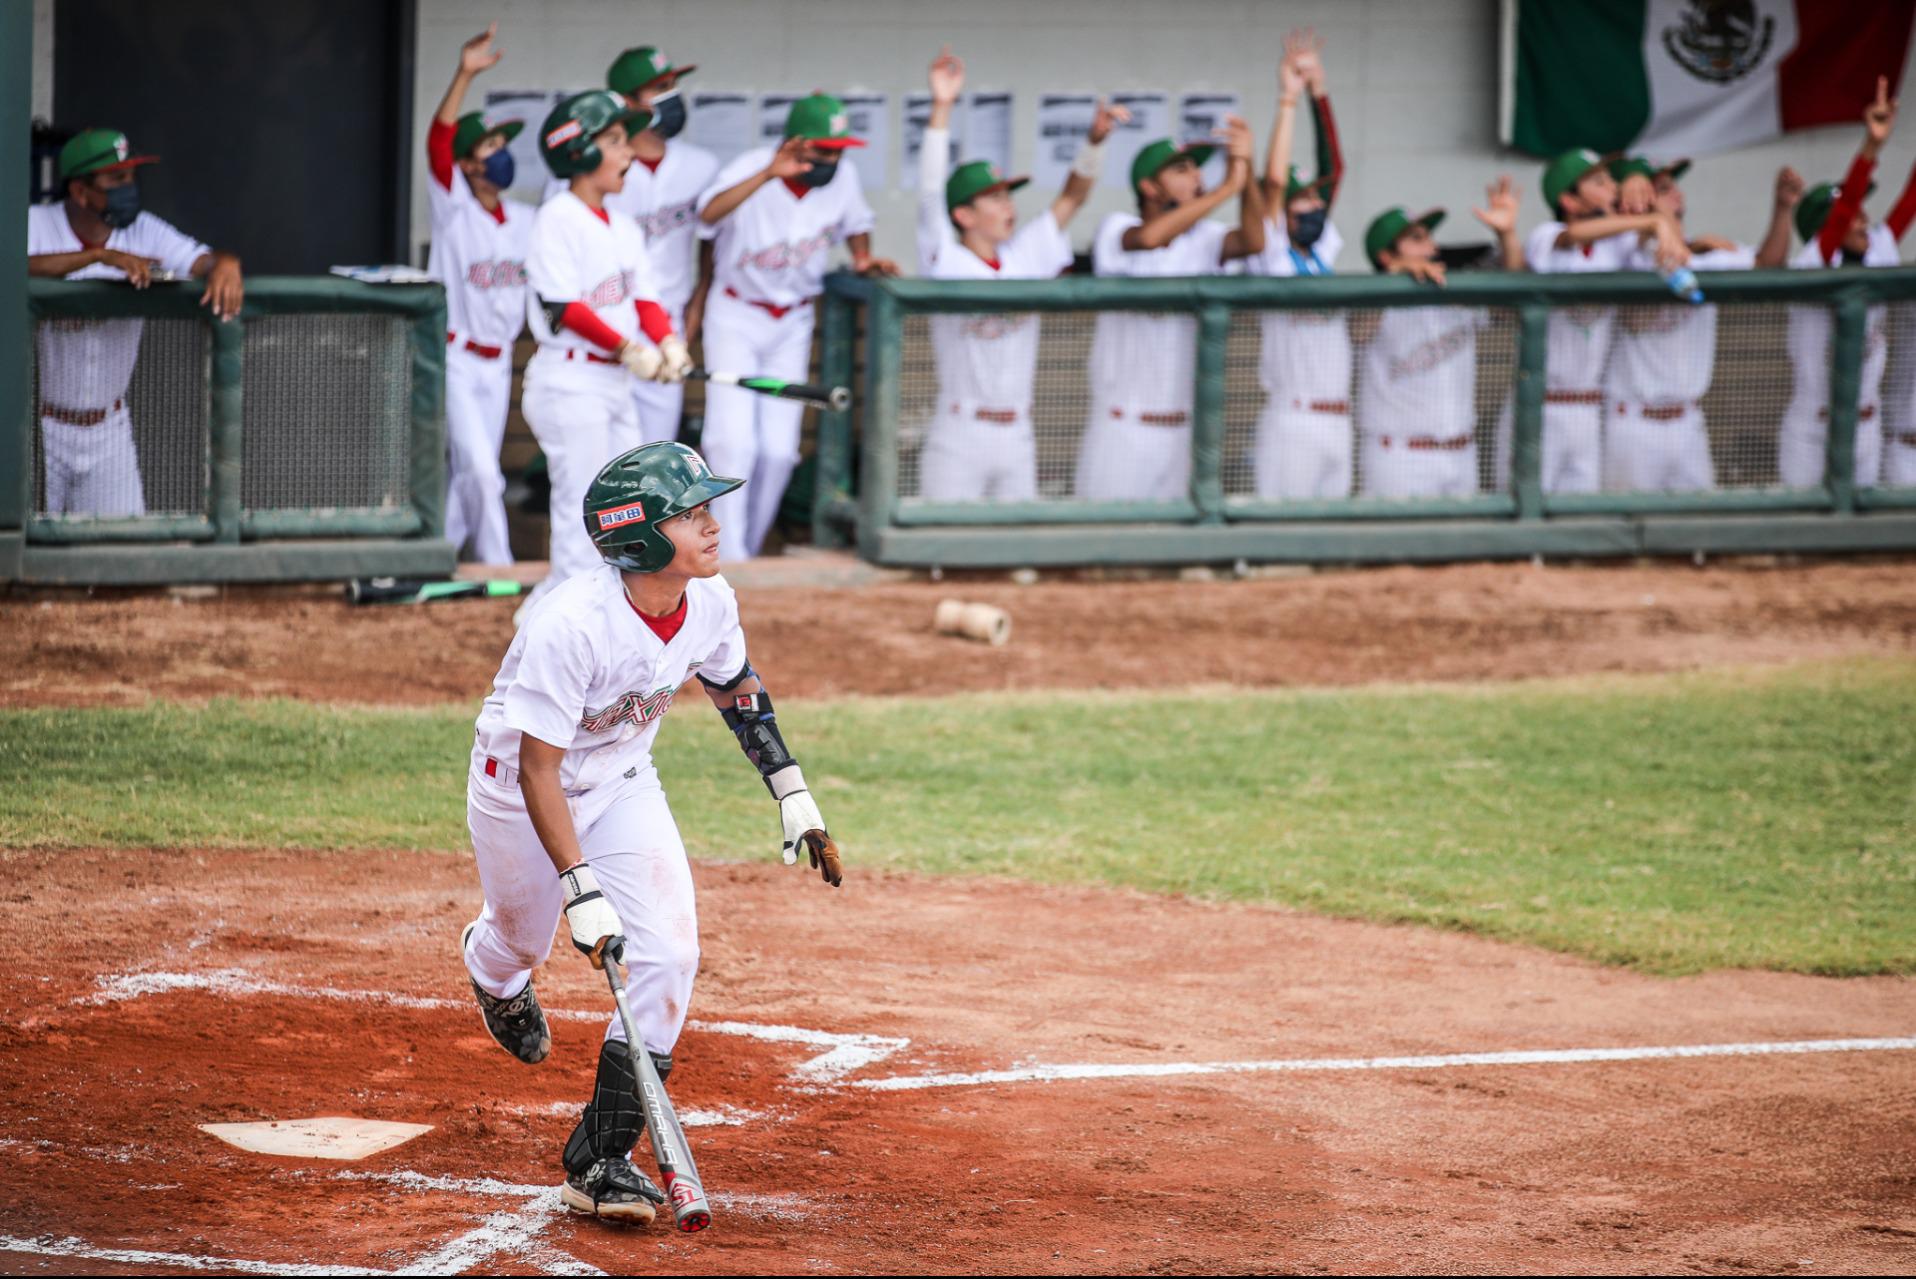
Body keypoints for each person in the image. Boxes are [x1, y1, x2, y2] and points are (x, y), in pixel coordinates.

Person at [460, 440, 842, 1222]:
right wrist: (580, 887)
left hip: (622, 779)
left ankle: (599, 1159)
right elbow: (539, 769)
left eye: (708, 509)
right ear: (639, 536)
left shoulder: (710, 602)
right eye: (691, 513)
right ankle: (492, 972)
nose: (712, 525)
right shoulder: (571, 623)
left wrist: (790, 787)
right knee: (522, 940)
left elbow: (737, 687)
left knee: (671, 953)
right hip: (520, 793)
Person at [914, 46, 1123, 502]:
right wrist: (942, 107)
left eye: (1008, 196)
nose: (1008, 205)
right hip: (960, 429)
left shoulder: (1025, 253)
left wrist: (1095, 143)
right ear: (964, 215)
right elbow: (931, 191)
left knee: (1017, 565)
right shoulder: (945, 257)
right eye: (994, 198)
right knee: (942, 561)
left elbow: (1072, 198)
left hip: (1018, 433)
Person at [696, 94, 899, 559]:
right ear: (797, 144)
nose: (833, 159)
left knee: (779, 451)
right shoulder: (751, 167)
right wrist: (769, 172)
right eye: (824, 150)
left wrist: (863, 259)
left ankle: (745, 546)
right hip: (737, 313)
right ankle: (728, 559)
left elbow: (857, 223)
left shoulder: (842, 179)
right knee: (731, 443)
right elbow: (707, 216)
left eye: (838, 150)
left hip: (792, 321)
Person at [521, 90, 692, 616]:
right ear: (579, 151)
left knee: (626, 508)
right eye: (615, 142)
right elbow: (563, 306)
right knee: (582, 513)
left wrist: (667, 341)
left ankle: (555, 618)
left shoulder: (621, 225)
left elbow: (644, 297)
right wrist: (628, 348)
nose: (628, 154)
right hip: (569, 380)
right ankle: (559, 628)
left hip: (612, 383)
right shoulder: (557, 216)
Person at [27, 128, 243, 517]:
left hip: (108, 427)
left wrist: (225, 263)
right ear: (79, 192)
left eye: (131, 177)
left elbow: (200, 260)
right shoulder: (36, 225)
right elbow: (14, 266)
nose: (129, 188)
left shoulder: (144, 229)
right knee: (28, 562)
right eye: (117, 179)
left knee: (121, 558)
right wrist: (96, 258)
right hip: (37, 428)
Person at [1075, 117, 1265, 501]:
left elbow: (1254, 240)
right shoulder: (1116, 228)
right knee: (1103, 548)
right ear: (1149, 187)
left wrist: (1247, 173)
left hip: (1182, 430)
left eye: (1197, 167)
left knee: (1169, 552)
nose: (1195, 176)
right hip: (1122, 428)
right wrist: (1228, 187)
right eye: (1181, 169)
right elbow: (1149, 237)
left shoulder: (1205, 239)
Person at [1600, 158, 1798, 493]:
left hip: (1689, 421)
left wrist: (1783, 208)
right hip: (1632, 420)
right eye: (1661, 188)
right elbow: (1635, 307)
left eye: (1673, 185)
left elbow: (1767, 264)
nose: (1675, 192)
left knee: (1699, 533)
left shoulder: (1706, 255)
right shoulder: (1621, 252)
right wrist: (1652, 218)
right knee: (1628, 534)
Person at [1515, 148, 1689, 495]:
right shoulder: (1545, 235)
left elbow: (1663, 237)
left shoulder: (1619, 244)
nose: (1612, 187)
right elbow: (1575, 237)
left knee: (1582, 527)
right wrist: (1648, 221)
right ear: (1569, 200)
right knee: (1527, 518)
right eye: (1599, 181)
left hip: (1591, 409)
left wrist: (1641, 186)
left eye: (1612, 179)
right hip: (1541, 405)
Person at [572, 45, 720, 447]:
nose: (672, 96)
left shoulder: (702, 166)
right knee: (601, 463)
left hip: (663, 320)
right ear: (627, 102)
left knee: (654, 457)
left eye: (673, 85)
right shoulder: (592, 172)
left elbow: (712, 240)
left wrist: (693, 311)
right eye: (659, 88)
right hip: (604, 321)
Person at [427, 23, 532, 565]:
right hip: (459, 356)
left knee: (470, 475)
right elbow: (438, 142)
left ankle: (438, 559)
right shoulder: (453, 208)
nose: (500, 154)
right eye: (490, 146)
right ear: (470, 164)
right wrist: (465, 73)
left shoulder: (526, 220)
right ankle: (499, 568)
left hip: (499, 365)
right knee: (482, 472)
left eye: (502, 144)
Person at [1780, 76, 1916, 489]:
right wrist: (1871, 146)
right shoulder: (1814, 260)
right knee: (1798, 539)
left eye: (1862, 213)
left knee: (1862, 540)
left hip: (1866, 425)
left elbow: (1911, 200)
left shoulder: (1877, 247)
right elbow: (1842, 216)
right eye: (1853, 214)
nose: (1863, 220)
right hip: (1812, 427)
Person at [1356, 177, 1523, 500]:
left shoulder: (1457, 292)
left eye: (1429, 237)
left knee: (1466, 548)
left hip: (1462, 452)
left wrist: (1507, 235)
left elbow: (1516, 305)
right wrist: (1393, 276)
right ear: (1386, 256)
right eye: (1416, 239)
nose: (1430, 246)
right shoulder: (1373, 303)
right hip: (1399, 455)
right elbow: (1357, 330)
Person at [1249, 28, 1354, 500]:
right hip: (1292, 417)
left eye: (1315, 201)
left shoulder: (1323, 249)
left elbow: (1338, 168)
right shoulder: (1273, 251)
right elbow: (1273, 181)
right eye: (1302, 202)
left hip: (1339, 418)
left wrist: (1320, 93)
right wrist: (1287, 101)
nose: (1312, 209)